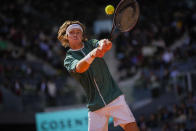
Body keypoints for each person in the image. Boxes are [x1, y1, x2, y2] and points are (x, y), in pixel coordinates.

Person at [57, 20, 139, 131]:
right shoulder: (69, 59)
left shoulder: (91, 43)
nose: (75, 34)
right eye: (72, 32)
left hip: (114, 96)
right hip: (95, 105)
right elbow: (80, 68)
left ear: (82, 35)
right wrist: (93, 53)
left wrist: (104, 44)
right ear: (67, 36)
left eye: (78, 31)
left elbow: (100, 43)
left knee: (132, 128)